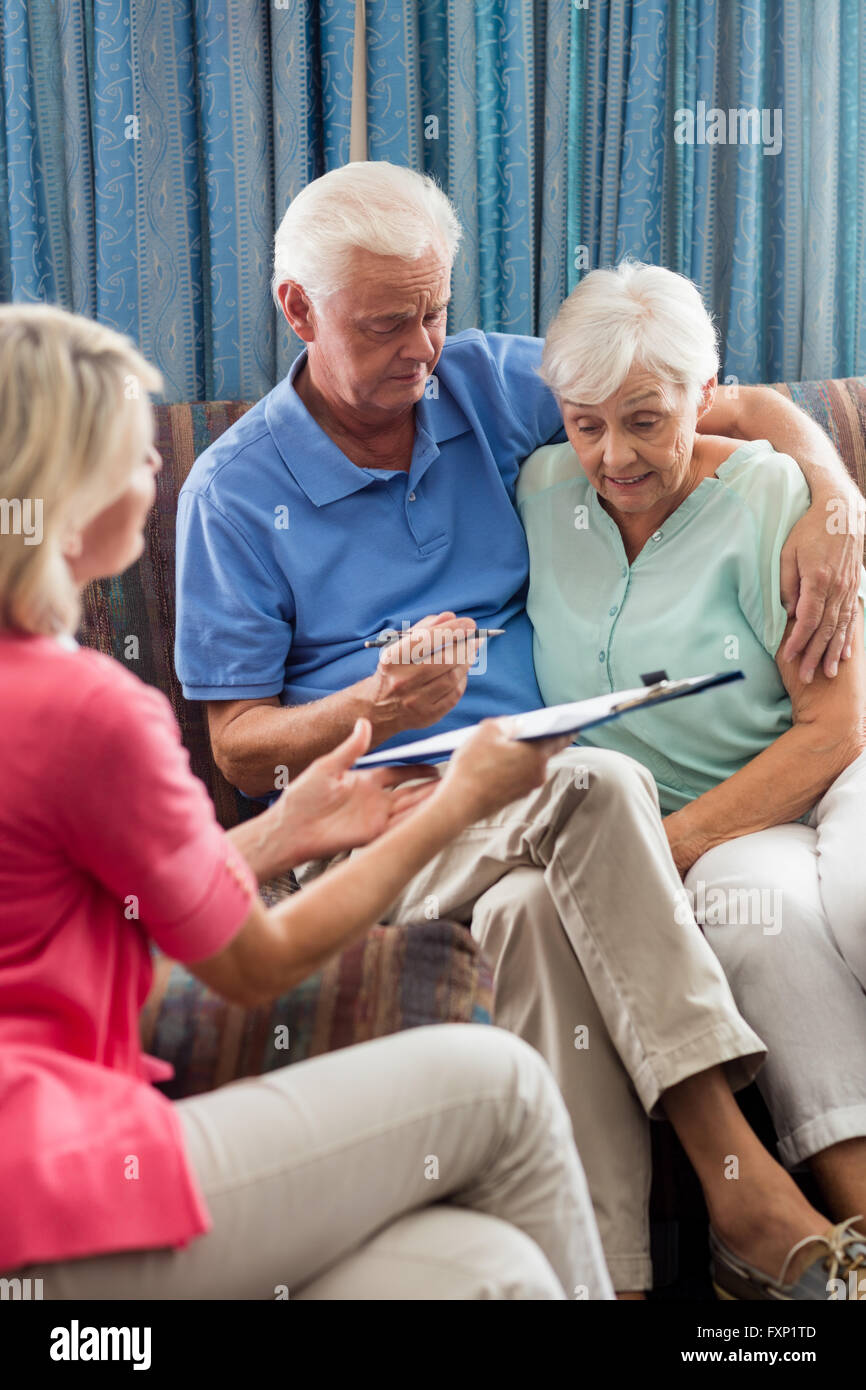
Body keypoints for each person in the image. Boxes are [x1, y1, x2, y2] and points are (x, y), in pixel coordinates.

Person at [173, 161, 866, 1296]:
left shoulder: (481, 384)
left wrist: (832, 496)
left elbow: (711, 400)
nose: (422, 349)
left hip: (532, 828)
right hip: (384, 828)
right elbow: (238, 743)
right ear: (297, 310)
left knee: (542, 911)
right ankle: (742, 1187)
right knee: (595, 784)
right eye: (387, 324)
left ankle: (606, 1281)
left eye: (434, 310)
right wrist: (370, 708)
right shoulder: (234, 493)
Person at [0, 303, 615, 1301]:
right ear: (56, 489)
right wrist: (460, 799)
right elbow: (258, 964)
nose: (157, 467)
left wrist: (281, 827)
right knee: (495, 1082)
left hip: (57, 1180)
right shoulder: (87, 708)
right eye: (129, 451)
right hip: (53, 1193)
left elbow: (89, 918)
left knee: (485, 1273)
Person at [517, 259, 866, 1300]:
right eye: (585, 425)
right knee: (749, 916)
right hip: (729, 833)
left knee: (850, 902)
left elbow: (831, 728)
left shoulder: (771, 496)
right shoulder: (538, 493)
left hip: (827, 772)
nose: (612, 457)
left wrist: (649, 858)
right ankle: (829, 1229)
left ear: (700, 399)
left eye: (645, 422)